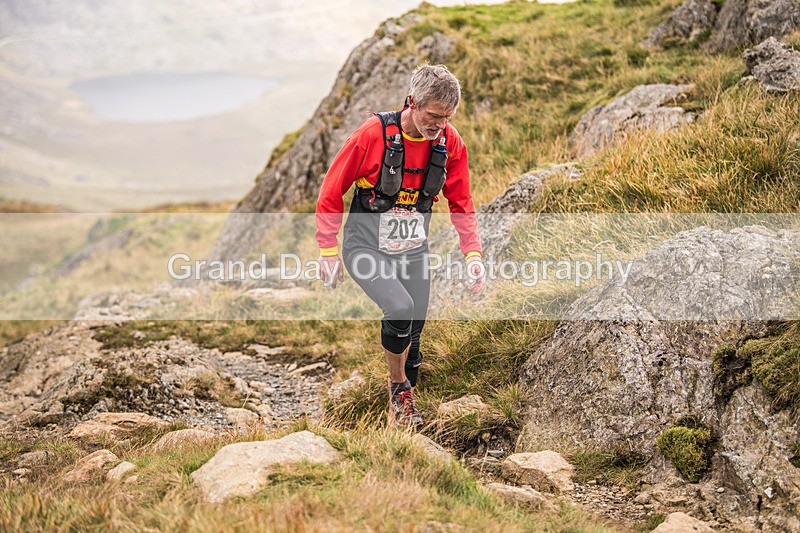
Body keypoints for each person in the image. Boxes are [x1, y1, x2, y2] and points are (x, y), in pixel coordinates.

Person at [315, 64, 485, 427]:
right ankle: (397, 394)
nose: (440, 125)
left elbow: (462, 201)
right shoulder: (371, 135)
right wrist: (327, 250)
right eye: (434, 116)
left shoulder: (449, 142)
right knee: (400, 308)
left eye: (448, 117)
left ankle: (405, 415)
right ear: (412, 102)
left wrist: (473, 253)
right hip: (365, 246)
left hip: (413, 251)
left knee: (414, 342)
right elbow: (331, 191)